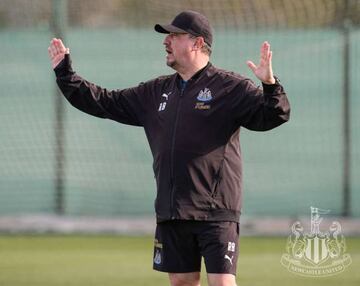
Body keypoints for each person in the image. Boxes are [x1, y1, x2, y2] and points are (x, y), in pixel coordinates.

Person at [48, 10, 290, 286]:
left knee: (222, 283)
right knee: (181, 283)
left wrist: (270, 86)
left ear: (198, 43)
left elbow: (273, 116)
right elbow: (105, 102)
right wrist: (65, 74)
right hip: (172, 211)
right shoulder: (155, 92)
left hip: (216, 211)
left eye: (174, 35)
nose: (166, 41)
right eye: (167, 36)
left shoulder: (230, 87)